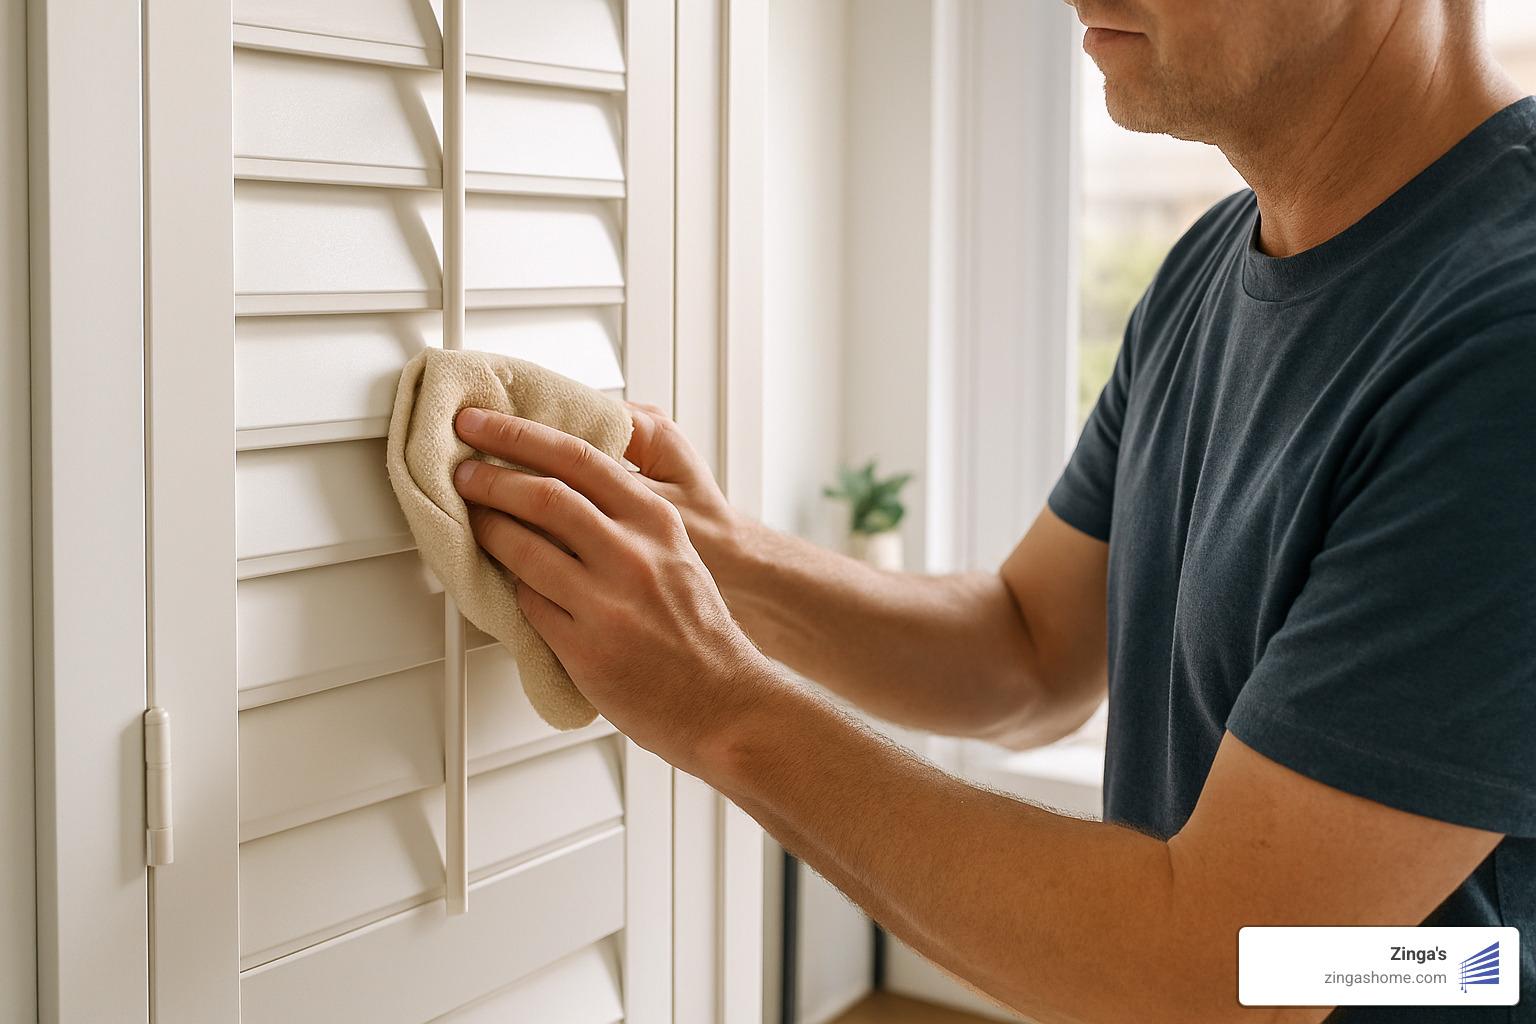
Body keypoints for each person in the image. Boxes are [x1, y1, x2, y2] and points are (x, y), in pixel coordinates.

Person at [446, 0, 1536, 1019]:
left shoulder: (1507, 335)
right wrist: (724, 561)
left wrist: (717, 702)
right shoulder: (1210, 270)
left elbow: (1230, 966)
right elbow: (1027, 651)